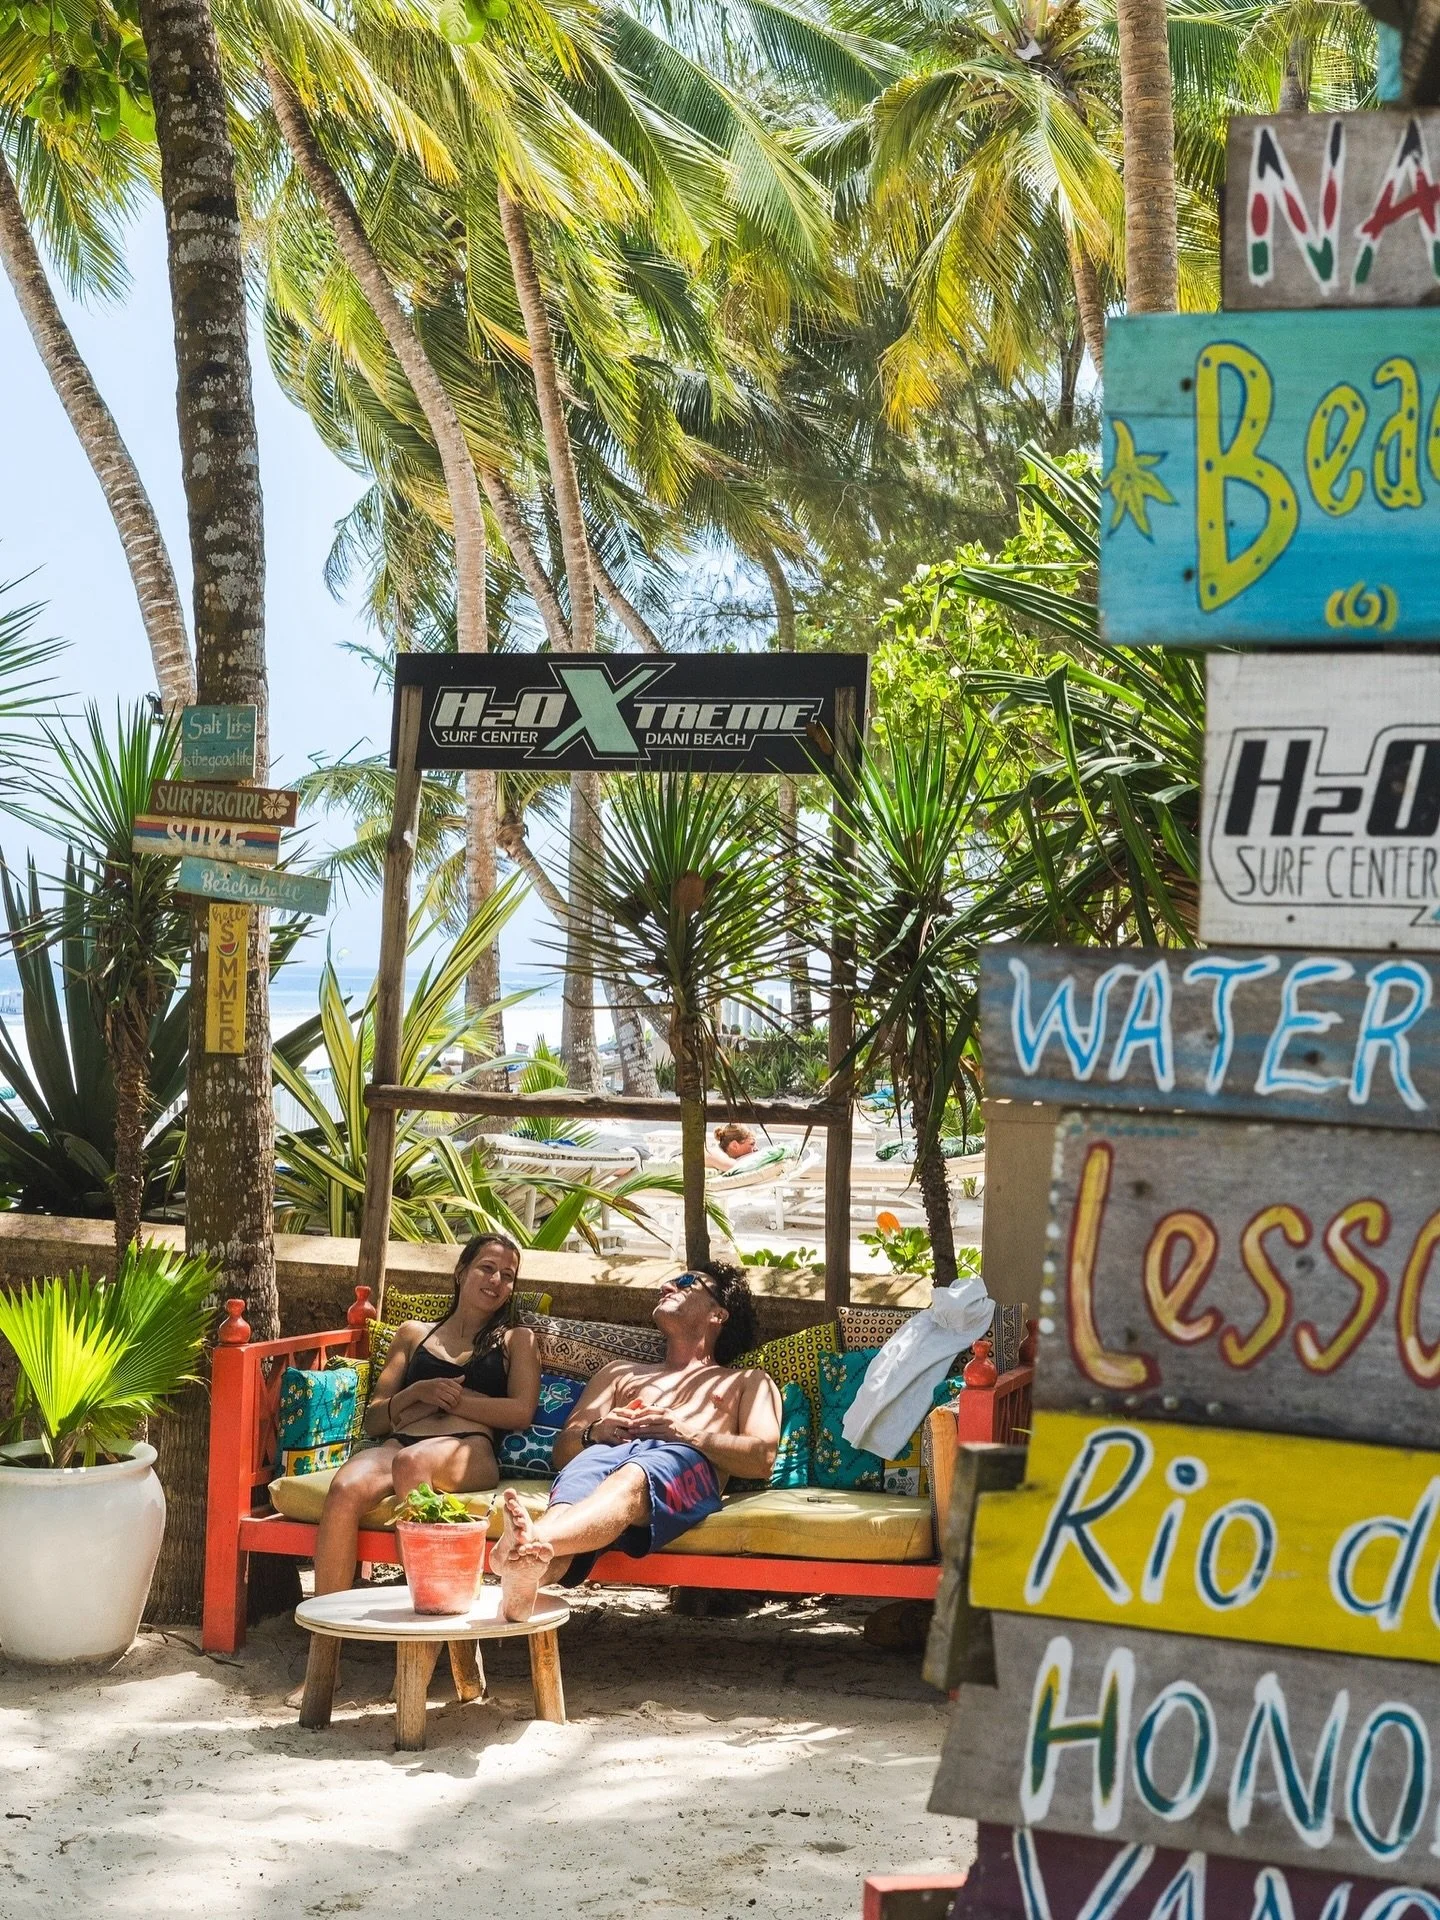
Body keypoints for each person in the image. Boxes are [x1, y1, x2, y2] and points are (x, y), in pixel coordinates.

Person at [492, 1262, 780, 1620]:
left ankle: (528, 1540)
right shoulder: (619, 1373)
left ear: (718, 1314)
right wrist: (595, 1432)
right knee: (567, 1507)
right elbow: (563, 1452)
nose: (667, 1287)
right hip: (604, 1454)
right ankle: (523, 1579)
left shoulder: (747, 1381)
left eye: (685, 1282)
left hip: (682, 1460)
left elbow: (762, 1457)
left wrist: (685, 1433)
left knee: (631, 1478)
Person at [311, 1232, 541, 1596]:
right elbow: (375, 1419)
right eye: (487, 1268)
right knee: (343, 1489)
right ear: (461, 1272)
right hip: (399, 1443)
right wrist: (416, 1393)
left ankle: (431, 1605)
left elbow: (520, 1411)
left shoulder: (516, 1340)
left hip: (468, 1447)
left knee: (412, 1463)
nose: (497, 1280)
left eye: (508, 1275)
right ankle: (325, 1625)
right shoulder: (412, 1334)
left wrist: (449, 1400)